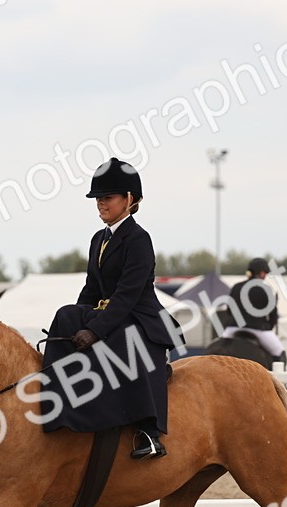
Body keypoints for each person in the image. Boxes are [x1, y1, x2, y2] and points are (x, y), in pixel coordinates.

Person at [40, 157, 177, 460]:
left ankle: (149, 433)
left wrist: (93, 330)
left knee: (122, 338)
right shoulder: (97, 239)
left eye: (107, 198)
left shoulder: (139, 239)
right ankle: (59, 406)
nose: (100, 204)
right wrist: (77, 322)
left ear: (129, 199)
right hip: (106, 312)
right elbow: (91, 289)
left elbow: (127, 295)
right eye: (98, 198)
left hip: (139, 317)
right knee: (65, 315)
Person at [221, 258, 286, 365]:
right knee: (279, 353)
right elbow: (273, 315)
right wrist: (268, 326)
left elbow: (229, 310)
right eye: (265, 273)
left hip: (232, 329)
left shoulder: (237, 287)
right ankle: (280, 379)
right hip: (257, 330)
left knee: (215, 350)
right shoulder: (266, 289)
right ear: (261, 273)